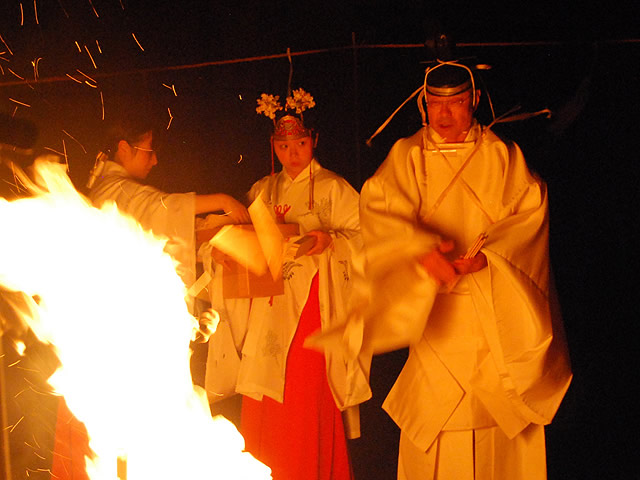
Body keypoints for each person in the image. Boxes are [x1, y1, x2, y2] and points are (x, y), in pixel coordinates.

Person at [353, 60, 572, 479]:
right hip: (436, 312)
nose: (445, 114)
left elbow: (530, 213)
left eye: (455, 102)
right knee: (440, 419)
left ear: (472, 101)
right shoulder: (407, 156)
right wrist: (419, 253)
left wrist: (489, 259)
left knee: (499, 416)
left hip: (493, 308)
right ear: (423, 105)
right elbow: (378, 207)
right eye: (436, 104)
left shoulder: (502, 157)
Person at [204, 89, 363, 480]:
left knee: (304, 397)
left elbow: (366, 240)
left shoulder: (334, 188)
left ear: (314, 141)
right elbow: (241, 241)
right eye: (284, 145)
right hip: (266, 307)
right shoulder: (261, 190)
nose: (292, 153)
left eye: (301, 144)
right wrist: (223, 253)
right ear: (273, 145)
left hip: (312, 307)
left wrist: (330, 241)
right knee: (265, 395)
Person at [87, 111, 250, 300]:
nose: (155, 161)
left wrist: (206, 251)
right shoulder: (115, 188)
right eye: (150, 152)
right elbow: (165, 207)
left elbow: (159, 233)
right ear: (123, 148)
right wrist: (223, 200)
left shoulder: (108, 184)